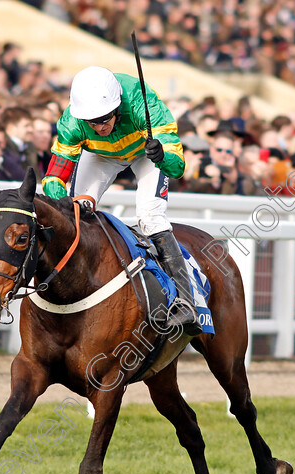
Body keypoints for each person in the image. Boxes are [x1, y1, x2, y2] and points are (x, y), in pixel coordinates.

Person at [40, 66, 199, 335]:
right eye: (93, 121)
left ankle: (186, 301)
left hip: (145, 153)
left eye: (105, 118)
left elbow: (177, 168)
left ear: (117, 108)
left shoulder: (143, 102)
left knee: (150, 217)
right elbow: (54, 176)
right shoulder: (71, 121)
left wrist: (161, 155)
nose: (101, 126)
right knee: (76, 213)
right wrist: (62, 204)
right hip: (99, 156)